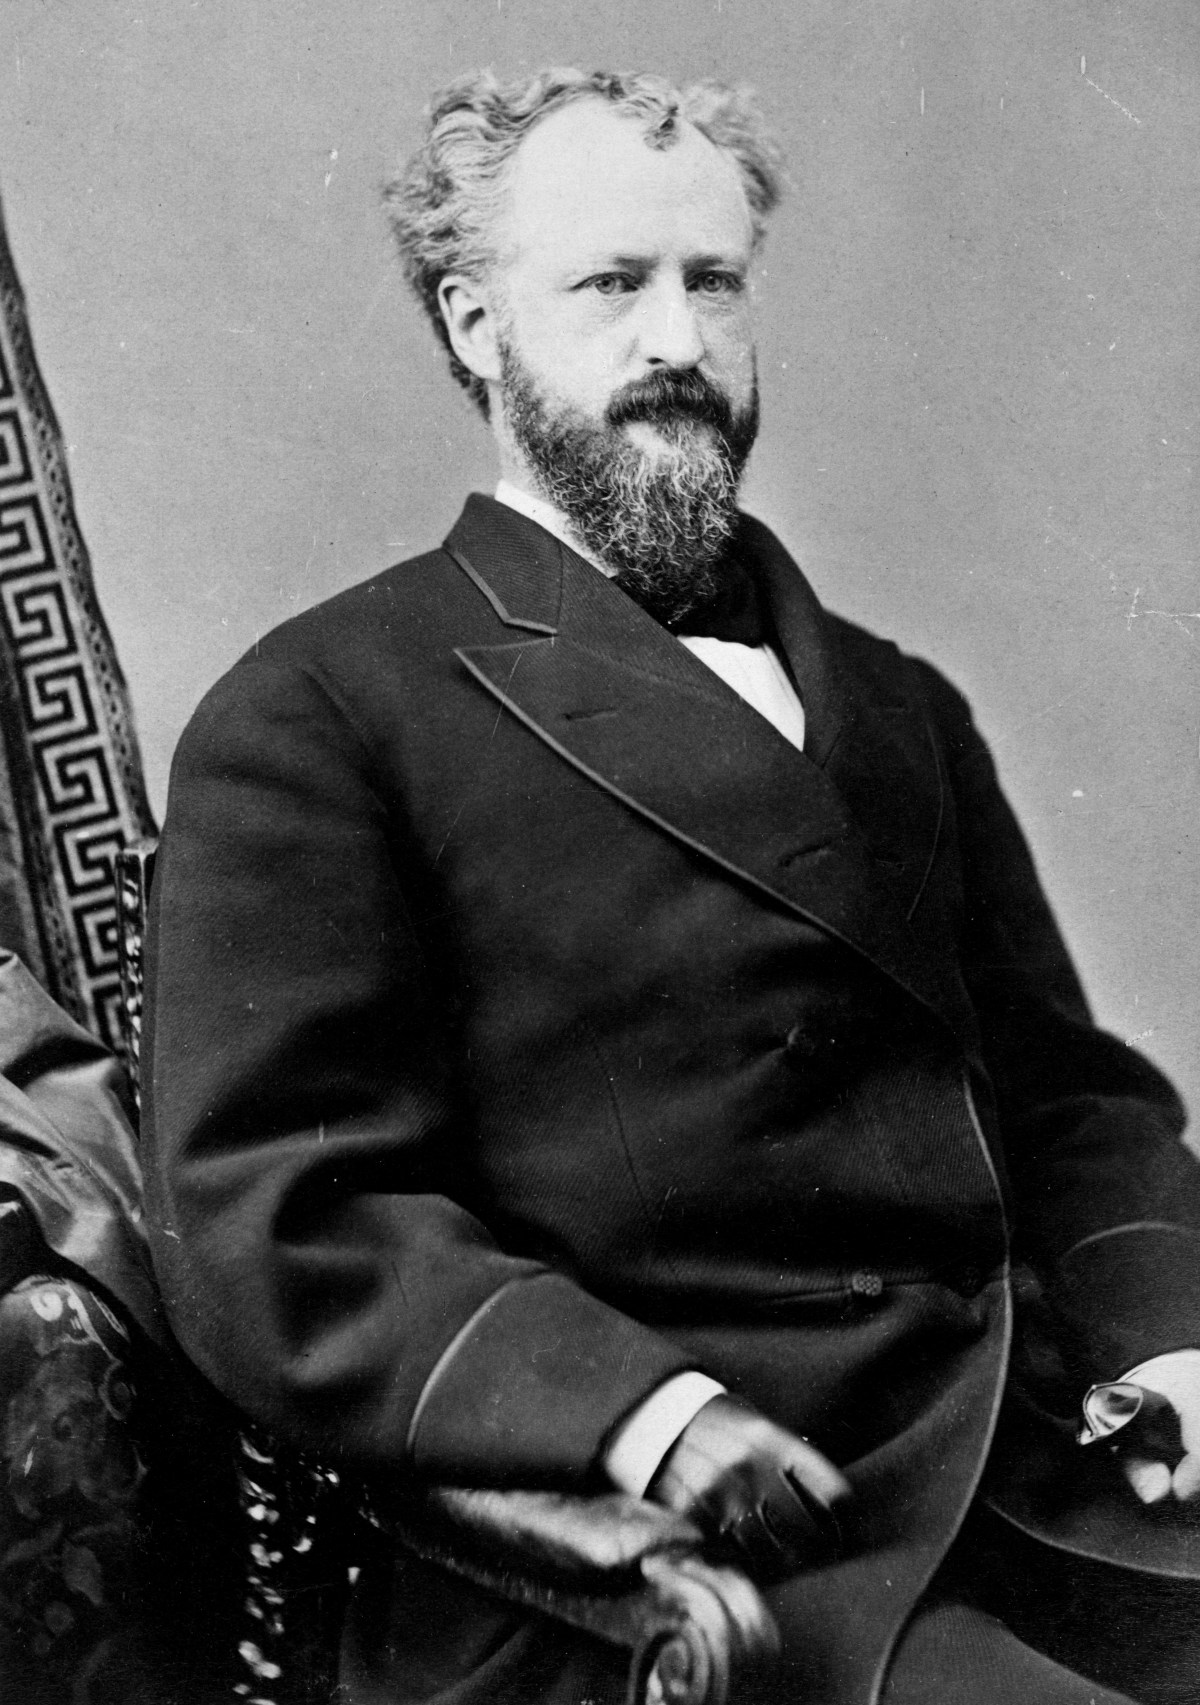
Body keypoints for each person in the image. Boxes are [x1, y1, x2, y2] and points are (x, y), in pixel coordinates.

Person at [142, 69, 1200, 1705]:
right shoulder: (325, 711)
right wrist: (642, 1413)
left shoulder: (896, 700)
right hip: (689, 1560)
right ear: (475, 322)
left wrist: (1166, 1331)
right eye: (609, 284)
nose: (676, 343)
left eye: (712, 281)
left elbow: (1071, 1094)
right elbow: (276, 1203)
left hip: (1041, 1459)